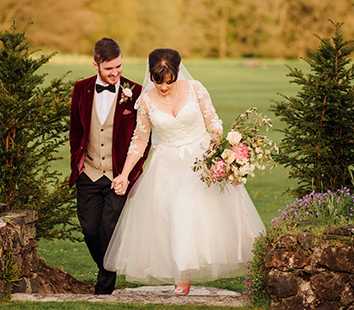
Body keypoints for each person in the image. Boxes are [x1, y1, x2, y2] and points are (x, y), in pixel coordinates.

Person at [104, 48, 265, 295]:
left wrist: (216, 155)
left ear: (178, 73)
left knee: (185, 207)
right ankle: (182, 274)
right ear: (151, 75)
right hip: (166, 164)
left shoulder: (196, 89)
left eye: (169, 81)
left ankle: (184, 277)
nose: (164, 87)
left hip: (200, 161)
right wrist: (124, 174)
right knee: (171, 212)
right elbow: (139, 139)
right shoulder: (146, 101)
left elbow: (214, 125)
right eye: (158, 82)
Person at [68, 38, 148, 295]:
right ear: (96, 65)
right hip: (88, 172)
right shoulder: (80, 89)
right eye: (109, 69)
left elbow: (142, 138)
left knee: (108, 228)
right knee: (90, 229)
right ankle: (108, 267)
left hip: (118, 176)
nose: (115, 73)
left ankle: (104, 286)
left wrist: (129, 174)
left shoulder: (134, 91)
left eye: (119, 67)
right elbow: (75, 131)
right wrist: (77, 164)